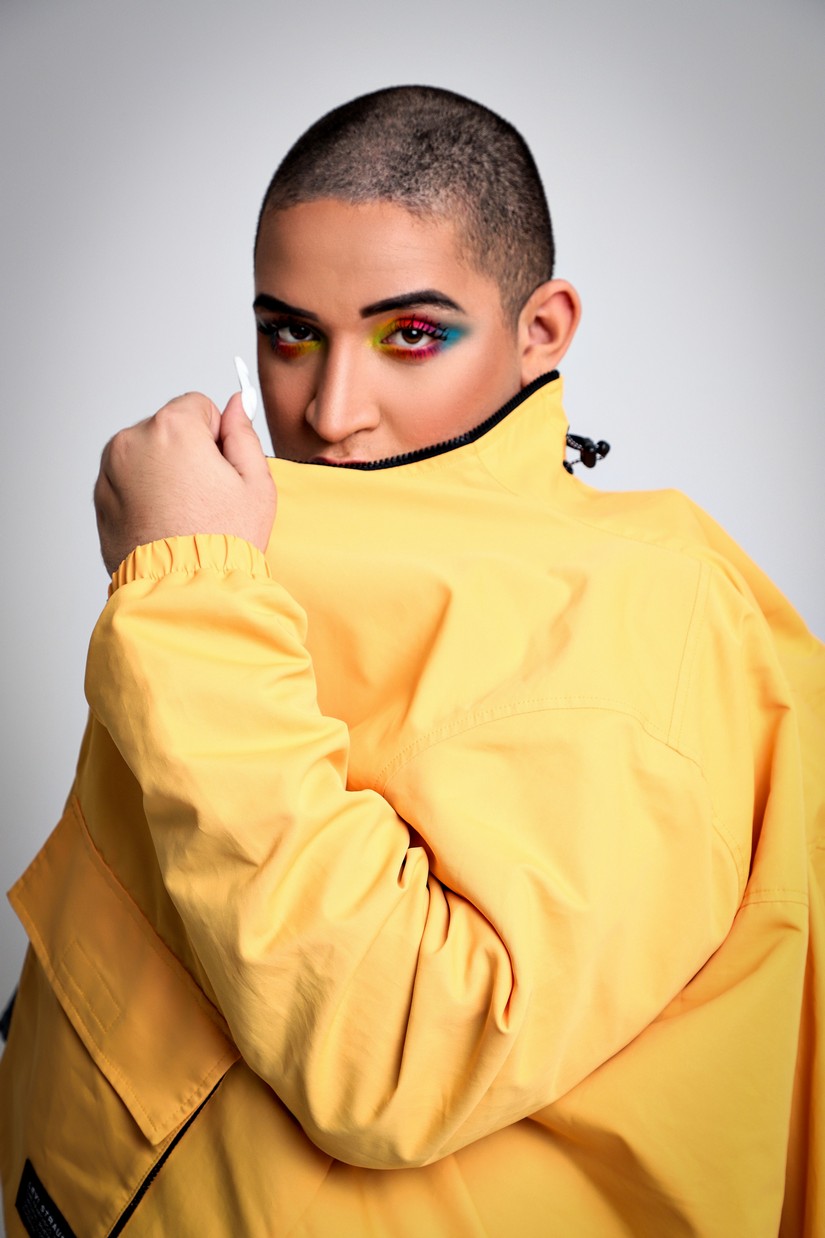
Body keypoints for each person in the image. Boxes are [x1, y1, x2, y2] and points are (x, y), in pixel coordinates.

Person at [1, 85, 823, 1238]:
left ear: (542, 330)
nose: (333, 410)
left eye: (412, 336)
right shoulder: (263, 548)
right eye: (290, 334)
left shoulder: (652, 609)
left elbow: (397, 1051)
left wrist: (182, 588)